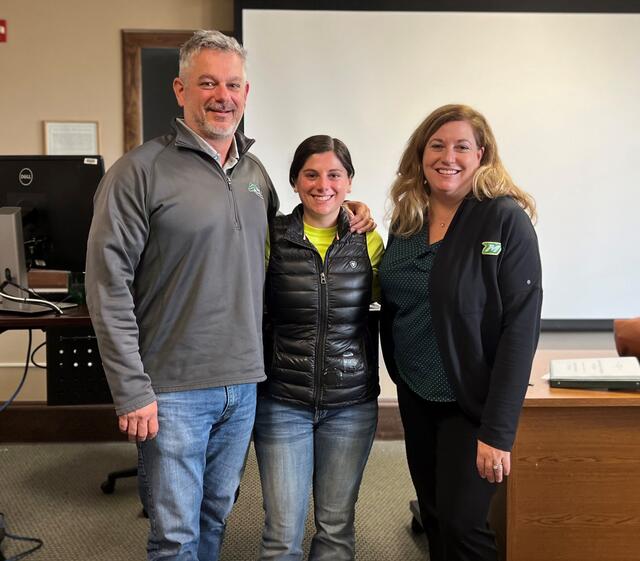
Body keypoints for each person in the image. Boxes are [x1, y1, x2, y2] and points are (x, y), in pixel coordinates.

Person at [85, 30, 373, 561]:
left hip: (244, 385)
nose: (223, 95)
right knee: (174, 535)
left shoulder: (256, 174)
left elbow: (292, 240)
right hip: (171, 388)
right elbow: (107, 287)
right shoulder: (138, 173)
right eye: (208, 83)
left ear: (246, 93)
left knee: (215, 516)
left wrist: (351, 213)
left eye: (233, 84)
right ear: (180, 90)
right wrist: (130, 389)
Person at [379, 104, 542, 561]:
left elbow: (519, 329)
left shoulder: (504, 219)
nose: (447, 156)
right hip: (415, 393)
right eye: (437, 145)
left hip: (471, 403)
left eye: (461, 146)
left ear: (481, 154)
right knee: (433, 517)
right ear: (420, 154)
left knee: (464, 524)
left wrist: (499, 431)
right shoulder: (407, 219)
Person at [253, 135, 384, 561]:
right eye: (311, 174)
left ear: (349, 183)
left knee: (336, 529)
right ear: (294, 181)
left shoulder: (369, 242)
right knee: (281, 534)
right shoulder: (272, 237)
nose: (322, 184)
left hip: (351, 403)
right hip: (282, 402)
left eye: (334, 175)